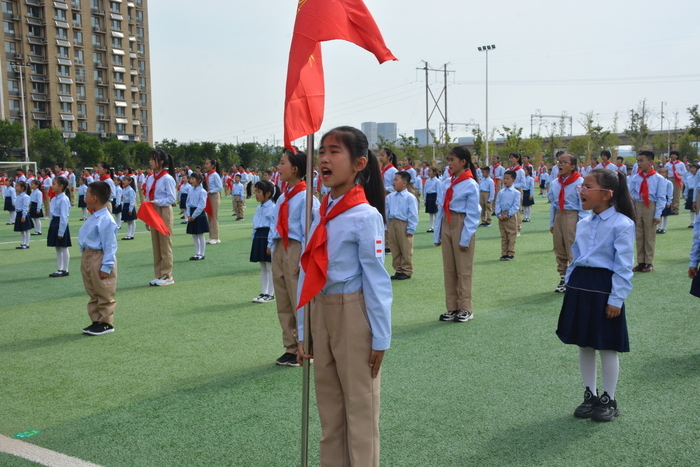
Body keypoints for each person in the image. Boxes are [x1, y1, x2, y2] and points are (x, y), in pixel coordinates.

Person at [296, 126, 391, 467]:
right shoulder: (320, 212)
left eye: (334, 151)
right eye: (321, 151)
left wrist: (381, 336)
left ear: (358, 163)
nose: (323, 158)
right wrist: (304, 327)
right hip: (320, 312)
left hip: (353, 314)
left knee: (360, 412)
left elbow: (376, 281)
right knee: (330, 414)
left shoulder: (365, 217)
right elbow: (307, 269)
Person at [556, 168, 636, 422]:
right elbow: (576, 257)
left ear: (606, 194)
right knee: (584, 343)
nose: (582, 191)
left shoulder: (622, 224)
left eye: (588, 187)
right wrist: (570, 283)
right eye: (582, 186)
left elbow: (623, 266)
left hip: (604, 287)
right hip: (580, 285)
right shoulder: (583, 222)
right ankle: (589, 394)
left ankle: (608, 399)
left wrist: (617, 298)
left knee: (607, 345)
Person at [269, 148, 319, 367]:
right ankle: (290, 347)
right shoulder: (284, 196)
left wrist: (302, 259)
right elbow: (275, 222)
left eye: (282, 163)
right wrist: (272, 244)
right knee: (283, 299)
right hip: (281, 247)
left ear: (295, 169)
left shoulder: (307, 197)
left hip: (296, 248)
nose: (278, 168)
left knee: (298, 298)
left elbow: (312, 229)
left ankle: (305, 344)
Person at [433, 145, 480, 323]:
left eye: (452, 160)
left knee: (464, 268)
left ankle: (466, 308)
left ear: (463, 162)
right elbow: (441, 210)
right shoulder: (446, 182)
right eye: (448, 160)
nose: (449, 163)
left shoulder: (471, 185)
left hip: (461, 223)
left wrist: (465, 237)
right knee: (450, 268)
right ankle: (452, 307)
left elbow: (473, 214)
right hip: (447, 222)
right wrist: (437, 234)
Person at [79, 181, 119, 336]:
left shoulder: (106, 219)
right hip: (88, 254)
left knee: (104, 289)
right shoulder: (95, 216)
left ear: (94, 198)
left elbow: (110, 244)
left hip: (99, 255)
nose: (85, 195)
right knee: (92, 289)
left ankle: (106, 323)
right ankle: (96, 320)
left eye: (87, 193)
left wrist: (107, 265)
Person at [549, 153, 585, 293]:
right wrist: (552, 222)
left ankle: (575, 278)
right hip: (559, 214)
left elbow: (582, 205)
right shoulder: (555, 183)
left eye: (564, 162)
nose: (560, 165)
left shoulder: (579, 182)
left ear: (573, 166)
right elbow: (553, 203)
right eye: (559, 162)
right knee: (559, 247)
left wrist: (582, 223)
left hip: (572, 215)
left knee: (572, 247)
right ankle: (563, 277)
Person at [628, 150, 665, 273]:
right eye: (638, 161)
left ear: (651, 162)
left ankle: (648, 262)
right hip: (638, 205)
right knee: (639, 234)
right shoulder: (636, 178)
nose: (639, 163)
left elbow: (661, 198)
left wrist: (657, 214)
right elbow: (631, 193)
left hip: (650, 206)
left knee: (649, 235)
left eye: (641, 161)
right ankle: (640, 261)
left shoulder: (659, 178)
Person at [145, 150, 177, 286]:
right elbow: (147, 195)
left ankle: (167, 275)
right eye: (150, 159)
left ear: (161, 162)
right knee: (156, 244)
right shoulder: (151, 178)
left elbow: (172, 198)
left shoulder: (167, 178)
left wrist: (157, 202)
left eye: (153, 159)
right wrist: (147, 216)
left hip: (163, 210)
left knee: (165, 243)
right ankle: (158, 274)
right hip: (152, 209)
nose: (150, 162)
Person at [385, 171, 418, 280]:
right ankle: (398, 269)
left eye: (396, 180)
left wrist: (411, 228)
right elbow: (386, 212)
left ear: (404, 183)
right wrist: (386, 227)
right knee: (395, 247)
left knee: (405, 248)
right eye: (393, 180)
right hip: (392, 223)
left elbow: (413, 214)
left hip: (403, 224)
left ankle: (407, 270)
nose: (393, 182)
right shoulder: (390, 197)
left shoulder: (409, 197)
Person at [251, 180, 276, 303]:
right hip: (259, 236)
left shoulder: (273, 207)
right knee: (263, 267)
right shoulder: (258, 208)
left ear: (268, 194)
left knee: (270, 267)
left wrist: (270, 244)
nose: (256, 194)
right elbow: (255, 224)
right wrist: (254, 237)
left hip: (267, 236)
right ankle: (263, 292)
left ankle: (270, 294)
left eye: (259, 191)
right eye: (255, 191)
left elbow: (273, 226)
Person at [47, 176, 72, 277]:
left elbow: (64, 216)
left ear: (61, 186)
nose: (52, 186)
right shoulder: (54, 199)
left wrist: (61, 231)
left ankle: (65, 269)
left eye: (54, 184)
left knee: (63, 247)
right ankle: (59, 268)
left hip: (61, 223)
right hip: (54, 223)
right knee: (57, 247)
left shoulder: (64, 199)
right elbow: (52, 214)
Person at [495, 170, 521, 261]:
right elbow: (497, 203)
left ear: (513, 180)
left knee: (511, 235)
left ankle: (510, 252)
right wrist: (498, 214)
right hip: (501, 215)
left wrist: (508, 215)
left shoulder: (516, 193)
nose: (505, 180)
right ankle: (504, 253)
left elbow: (516, 206)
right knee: (504, 235)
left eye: (507, 179)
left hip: (511, 216)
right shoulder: (501, 192)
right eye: (504, 178)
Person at [186, 171, 209, 261]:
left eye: (193, 179)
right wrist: (188, 214)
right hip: (191, 212)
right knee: (194, 235)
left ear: (199, 180)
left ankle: (201, 254)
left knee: (200, 234)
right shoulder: (190, 190)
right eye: (190, 178)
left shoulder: (202, 191)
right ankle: (197, 253)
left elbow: (201, 205)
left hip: (198, 213)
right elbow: (188, 203)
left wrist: (194, 215)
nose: (191, 180)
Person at [204, 158, 222, 244]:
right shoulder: (207, 175)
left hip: (214, 196)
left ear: (213, 166)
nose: (205, 165)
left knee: (214, 216)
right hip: (208, 196)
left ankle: (215, 237)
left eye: (207, 164)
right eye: (205, 163)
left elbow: (219, 187)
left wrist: (211, 191)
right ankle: (211, 236)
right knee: (209, 216)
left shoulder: (215, 175)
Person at [508, 153, 527, 235]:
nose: (511, 160)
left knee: (517, 210)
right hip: (509, 191)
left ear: (517, 159)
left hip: (517, 191)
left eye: (512, 158)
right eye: (510, 158)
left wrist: (512, 185)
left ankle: (518, 228)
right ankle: (511, 228)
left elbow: (523, 184)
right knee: (509, 209)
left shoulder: (520, 170)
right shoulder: (509, 170)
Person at [665, 150, 687, 215]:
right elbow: (664, 171)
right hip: (669, 179)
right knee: (669, 194)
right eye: (671, 154)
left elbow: (685, 172)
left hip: (677, 179)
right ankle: (670, 208)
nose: (672, 156)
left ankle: (675, 210)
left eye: (674, 154)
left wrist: (679, 173)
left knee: (676, 195)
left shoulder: (681, 164)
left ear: (677, 156)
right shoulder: (667, 164)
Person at [13, 181, 33, 249]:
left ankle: (26, 244)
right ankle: (23, 243)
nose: (16, 188)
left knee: (26, 230)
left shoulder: (25, 196)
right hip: (19, 213)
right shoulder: (18, 196)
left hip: (23, 213)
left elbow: (25, 207)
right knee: (21, 230)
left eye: (17, 186)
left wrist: (23, 216)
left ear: (22, 188)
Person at [656, 167, 673, 234]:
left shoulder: (668, 183)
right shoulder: (657, 182)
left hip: (665, 198)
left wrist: (669, 202)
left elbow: (670, 193)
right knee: (659, 213)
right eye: (660, 172)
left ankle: (664, 228)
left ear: (667, 173)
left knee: (665, 215)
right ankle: (659, 228)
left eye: (663, 172)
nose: (662, 174)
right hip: (658, 198)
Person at [120, 176, 137, 240]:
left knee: (131, 221)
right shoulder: (124, 189)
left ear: (129, 182)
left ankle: (131, 235)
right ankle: (129, 234)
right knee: (128, 221)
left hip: (129, 205)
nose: (123, 181)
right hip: (125, 205)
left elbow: (132, 200)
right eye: (123, 180)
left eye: (125, 180)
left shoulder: (130, 190)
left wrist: (130, 209)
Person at [423, 167, 439, 232]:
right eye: (428, 171)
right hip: (429, 196)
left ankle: (437, 227)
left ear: (434, 172)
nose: (429, 173)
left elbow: (438, 191)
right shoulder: (427, 181)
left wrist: (437, 201)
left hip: (434, 196)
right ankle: (431, 227)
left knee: (436, 213)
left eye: (430, 171)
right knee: (431, 213)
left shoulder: (437, 181)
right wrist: (425, 200)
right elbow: (425, 190)